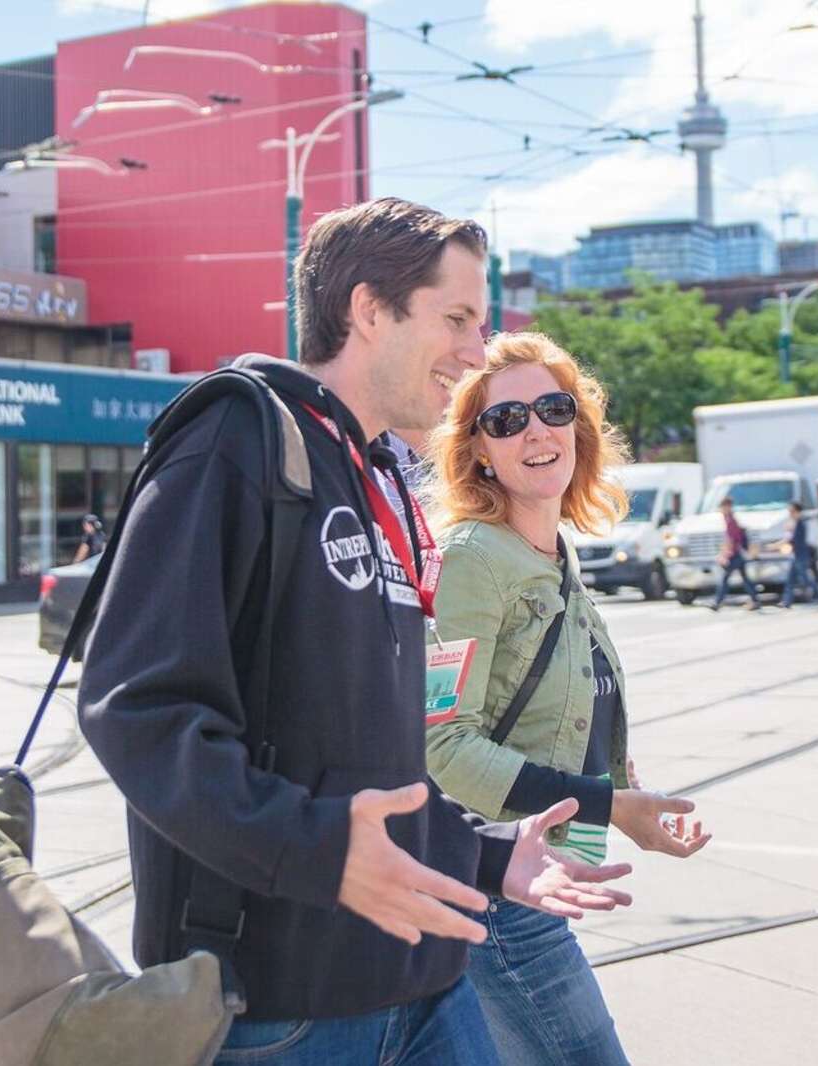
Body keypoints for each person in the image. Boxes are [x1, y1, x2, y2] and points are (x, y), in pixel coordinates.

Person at [77, 197, 634, 1066]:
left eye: (480, 324)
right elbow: (134, 711)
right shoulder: (240, 437)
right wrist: (317, 850)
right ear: (369, 310)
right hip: (282, 1006)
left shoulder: (383, 483)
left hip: (424, 979)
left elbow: (382, 755)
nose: (473, 353)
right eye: (455, 319)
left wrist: (486, 858)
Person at [424, 332, 712, 1064]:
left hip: (537, 879)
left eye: (552, 408)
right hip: (495, 894)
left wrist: (628, 802)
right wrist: (607, 804)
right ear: (479, 450)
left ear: (577, 427)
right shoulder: (473, 559)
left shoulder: (554, 553)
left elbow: (577, 703)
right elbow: (443, 746)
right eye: (505, 419)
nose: (535, 430)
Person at [709, 496, 759, 611]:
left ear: (728, 507)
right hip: (738, 553)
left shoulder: (730, 521)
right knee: (745, 578)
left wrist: (725, 554)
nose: (721, 510)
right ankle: (755, 600)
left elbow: (732, 540)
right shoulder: (731, 520)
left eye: (722, 507)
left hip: (735, 554)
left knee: (725, 578)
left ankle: (717, 602)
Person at [779, 500, 818, 608]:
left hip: (801, 557)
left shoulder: (801, 524)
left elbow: (795, 541)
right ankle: (786, 602)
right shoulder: (797, 523)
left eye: (792, 511)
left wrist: (787, 537)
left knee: (806, 581)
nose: (790, 514)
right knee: (790, 580)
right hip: (796, 556)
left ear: (797, 511)